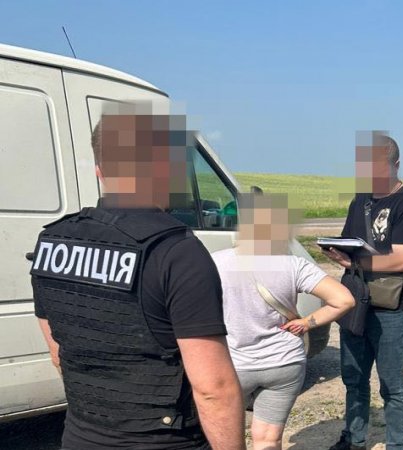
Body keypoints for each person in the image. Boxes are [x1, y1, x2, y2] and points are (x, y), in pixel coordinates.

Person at [30, 105, 245, 450]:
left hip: (81, 436)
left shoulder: (52, 241)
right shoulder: (176, 251)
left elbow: (60, 355)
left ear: (100, 172)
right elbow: (213, 389)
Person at [212, 192, 355, 450]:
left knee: (226, 439)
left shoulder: (216, 262)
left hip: (235, 364)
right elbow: (344, 300)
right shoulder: (294, 265)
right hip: (284, 362)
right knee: (268, 439)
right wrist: (307, 323)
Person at [324, 132, 403, 450]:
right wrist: (337, 251)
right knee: (353, 378)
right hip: (355, 301)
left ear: (396, 164)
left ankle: (397, 445)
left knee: (392, 385)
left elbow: (401, 259)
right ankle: (354, 439)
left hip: (392, 309)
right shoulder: (361, 200)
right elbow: (349, 241)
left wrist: (355, 261)